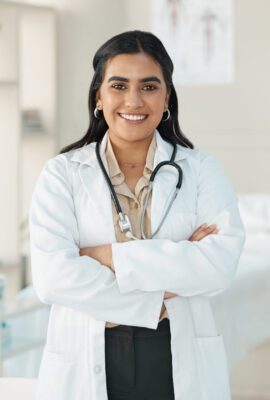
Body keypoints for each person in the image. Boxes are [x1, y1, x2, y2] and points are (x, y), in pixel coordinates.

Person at [29, 30, 246, 400]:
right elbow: (53, 279)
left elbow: (218, 266)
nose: (134, 100)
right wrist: (162, 290)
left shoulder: (200, 170)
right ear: (99, 96)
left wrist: (105, 256)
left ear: (167, 99)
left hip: (176, 356)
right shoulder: (62, 173)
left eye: (149, 86)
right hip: (88, 355)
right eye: (118, 85)